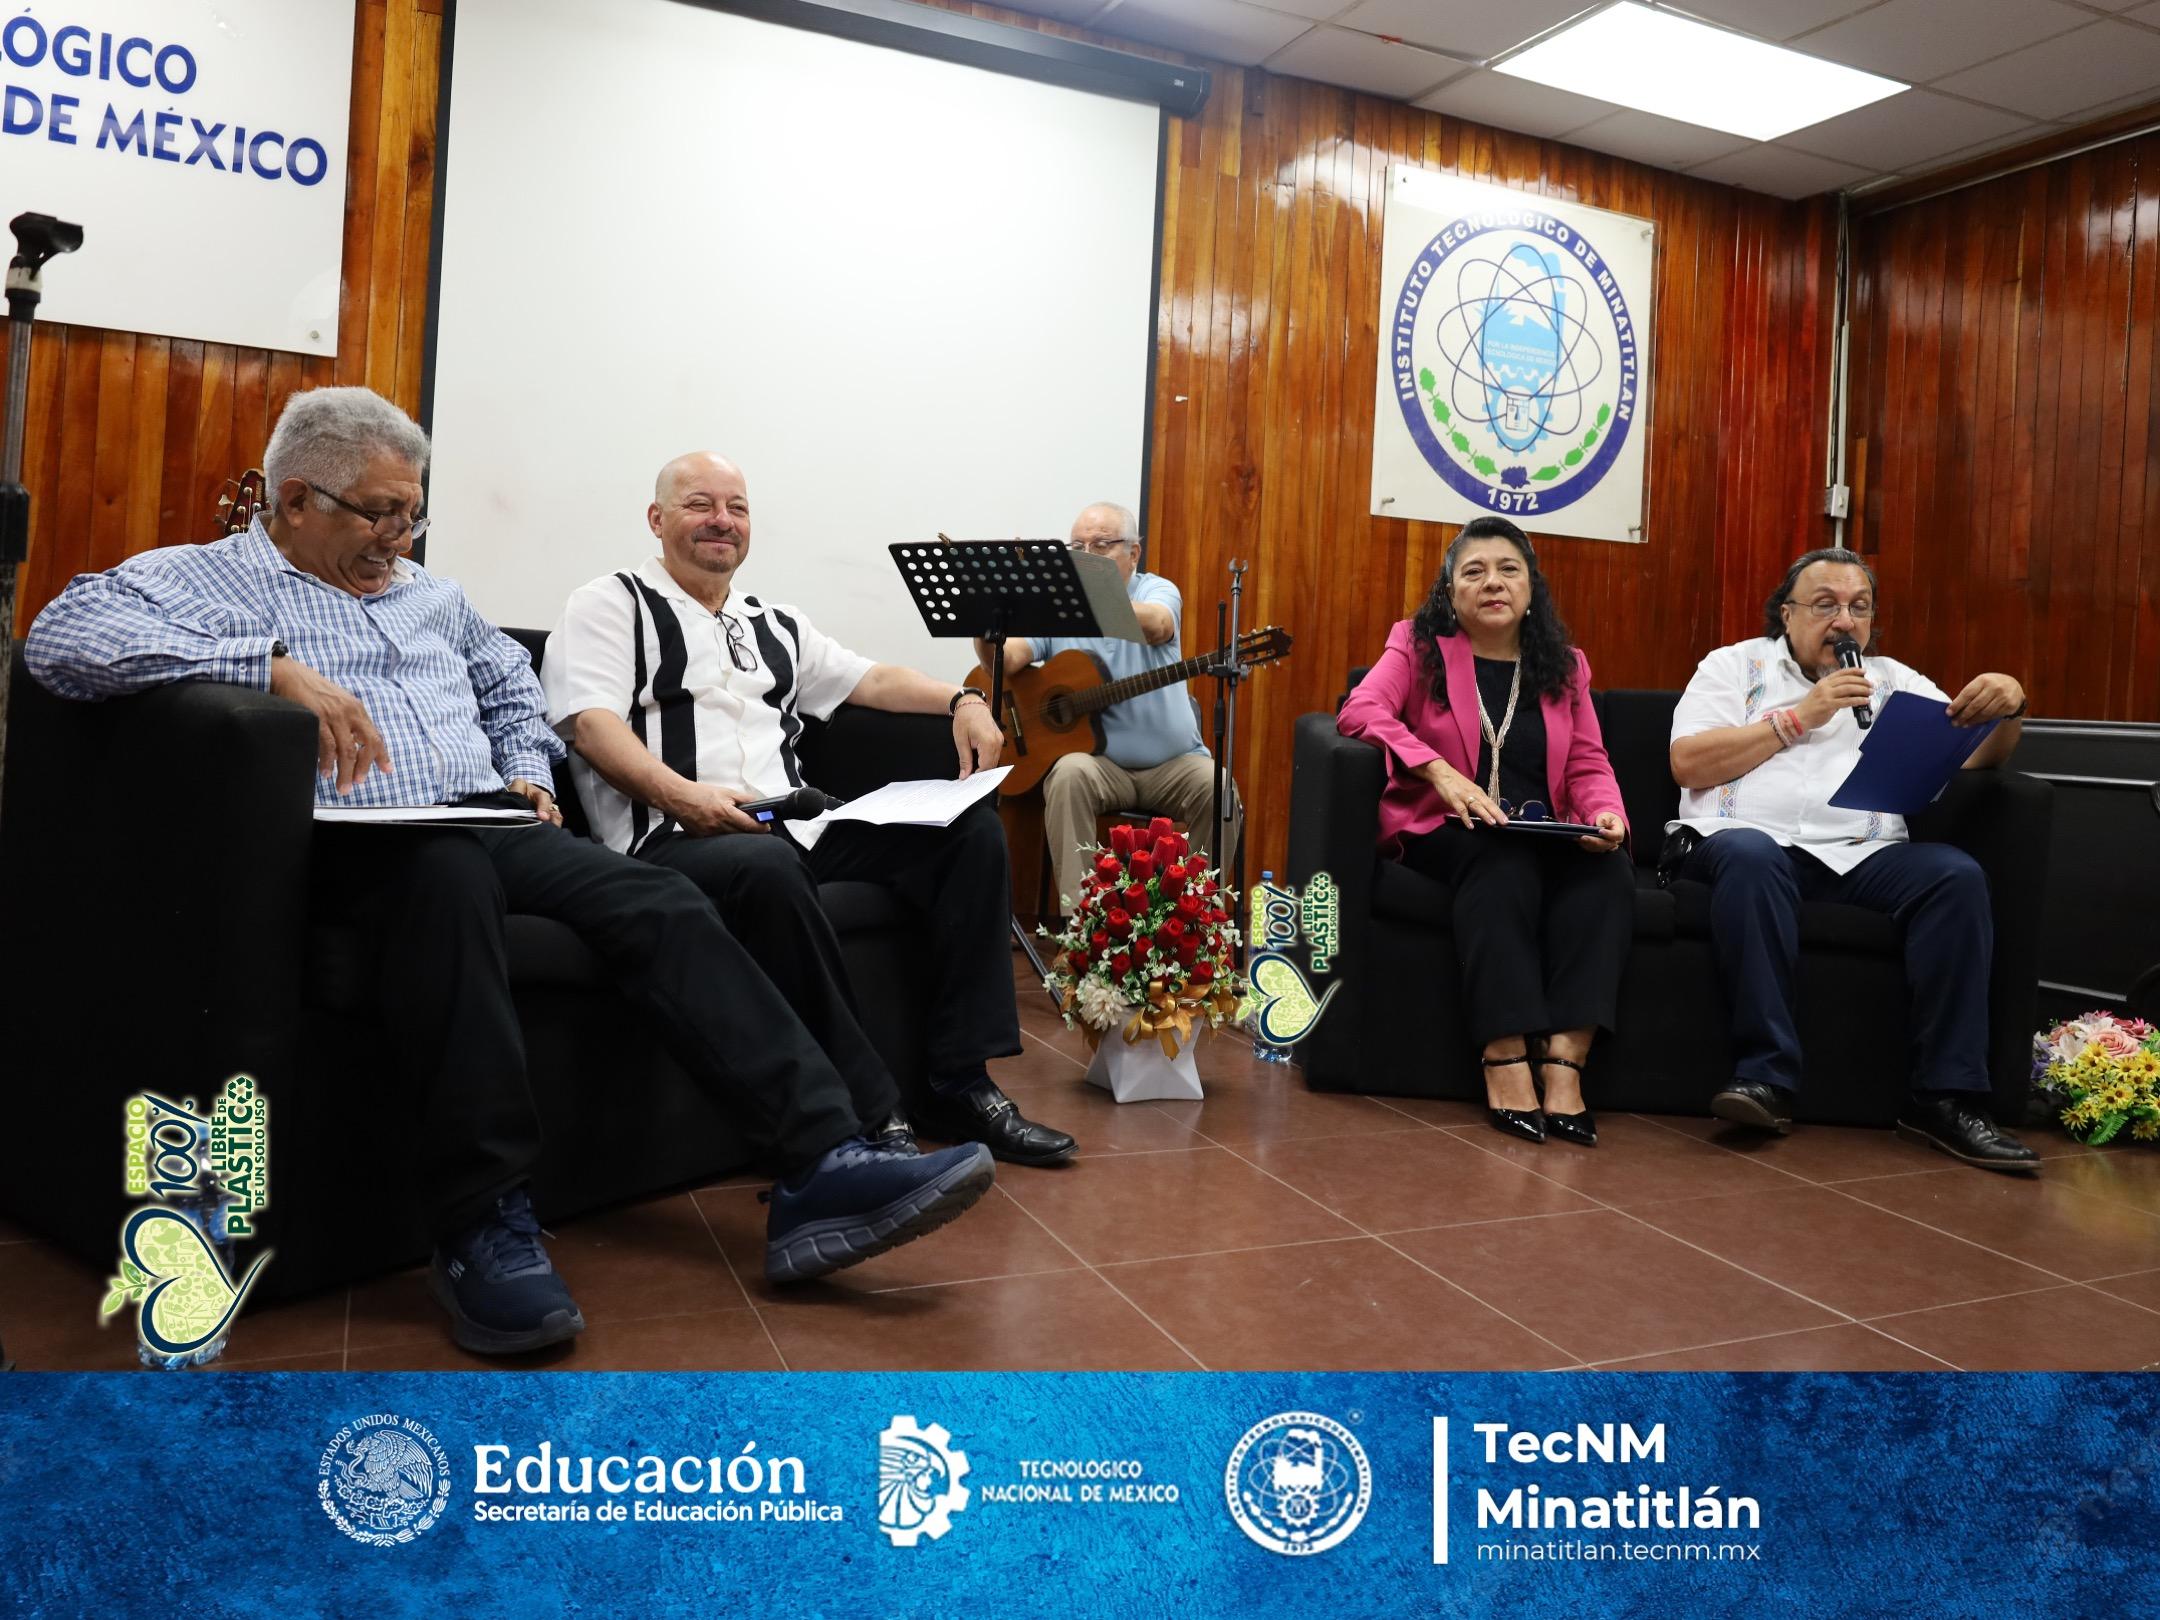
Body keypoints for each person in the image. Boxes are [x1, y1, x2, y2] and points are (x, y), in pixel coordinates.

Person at [24, 388, 996, 1357]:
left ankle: (822, 1161)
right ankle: (481, 1223)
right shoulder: (214, 580)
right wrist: (266, 666)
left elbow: (509, 686)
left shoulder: (434, 597)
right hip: (354, 838)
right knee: (443, 881)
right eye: (377, 511)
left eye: (413, 511)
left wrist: (530, 776)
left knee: (660, 894)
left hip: (488, 818)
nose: (399, 535)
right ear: (293, 502)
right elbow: (65, 640)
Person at [543, 452, 1076, 1169]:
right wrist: (682, 795)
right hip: (673, 835)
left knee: (966, 832)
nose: (721, 521)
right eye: (700, 504)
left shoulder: (774, 621)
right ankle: (865, 1106)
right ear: (658, 518)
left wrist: (965, 699)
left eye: (736, 507)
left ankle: (957, 1082)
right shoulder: (608, 604)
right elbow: (590, 725)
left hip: (793, 824)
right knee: (763, 867)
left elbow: (874, 678)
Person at [1667, 546, 2037, 1172]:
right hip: (1741, 842)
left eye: (1858, 608)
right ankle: (1766, 1080)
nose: (1844, 621)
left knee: (1954, 876)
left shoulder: (1895, 681)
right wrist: (1800, 717)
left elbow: (1977, 758)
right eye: (1825, 605)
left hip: (1857, 854)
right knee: (1754, 858)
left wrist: (2009, 709)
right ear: (1787, 614)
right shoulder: (1733, 666)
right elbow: (1689, 763)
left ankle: (1945, 1098)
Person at [1337, 517, 1632, 1146]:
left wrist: (1608, 815)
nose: (1492, 582)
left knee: (1609, 870)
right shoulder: (1417, 647)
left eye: (1508, 570)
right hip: (1447, 829)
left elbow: (1586, 763)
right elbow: (1360, 710)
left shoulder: (1565, 667)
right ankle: (1503, 1055)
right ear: (1450, 592)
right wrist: (1439, 771)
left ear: (1531, 588)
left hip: (1541, 829)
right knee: (1500, 864)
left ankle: (1565, 1062)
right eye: (1474, 571)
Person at [973, 502, 1243, 921]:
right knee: (1067, 775)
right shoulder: (1057, 609)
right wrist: (988, 615)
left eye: (1100, 546)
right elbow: (1004, 662)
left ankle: (1195, 922)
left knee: (1218, 787)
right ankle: (1081, 923)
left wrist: (1086, 592)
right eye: (1077, 546)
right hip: (1102, 768)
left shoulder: (1157, 589)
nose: (1085, 555)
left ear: (1133, 553)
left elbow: (1156, 624)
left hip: (1174, 764)